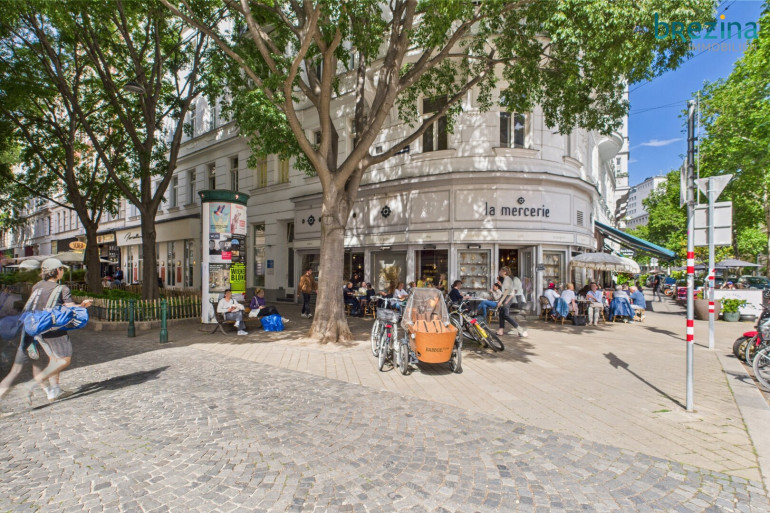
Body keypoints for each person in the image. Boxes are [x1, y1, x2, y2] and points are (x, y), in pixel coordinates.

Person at [0, 258, 93, 404]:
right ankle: (30, 385)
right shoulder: (62, 289)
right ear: (57, 271)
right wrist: (82, 305)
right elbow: (70, 307)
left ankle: (55, 390)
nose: (62, 271)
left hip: (34, 327)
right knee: (63, 359)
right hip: (52, 328)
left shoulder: (37, 286)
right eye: (61, 269)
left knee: (51, 360)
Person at [496, 266, 528, 337]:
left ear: (504, 272)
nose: (499, 272)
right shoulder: (507, 279)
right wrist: (501, 285)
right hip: (506, 298)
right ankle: (501, 330)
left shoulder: (507, 279)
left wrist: (501, 301)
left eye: (501, 271)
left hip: (506, 298)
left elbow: (506, 292)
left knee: (505, 315)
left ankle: (519, 328)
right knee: (501, 314)